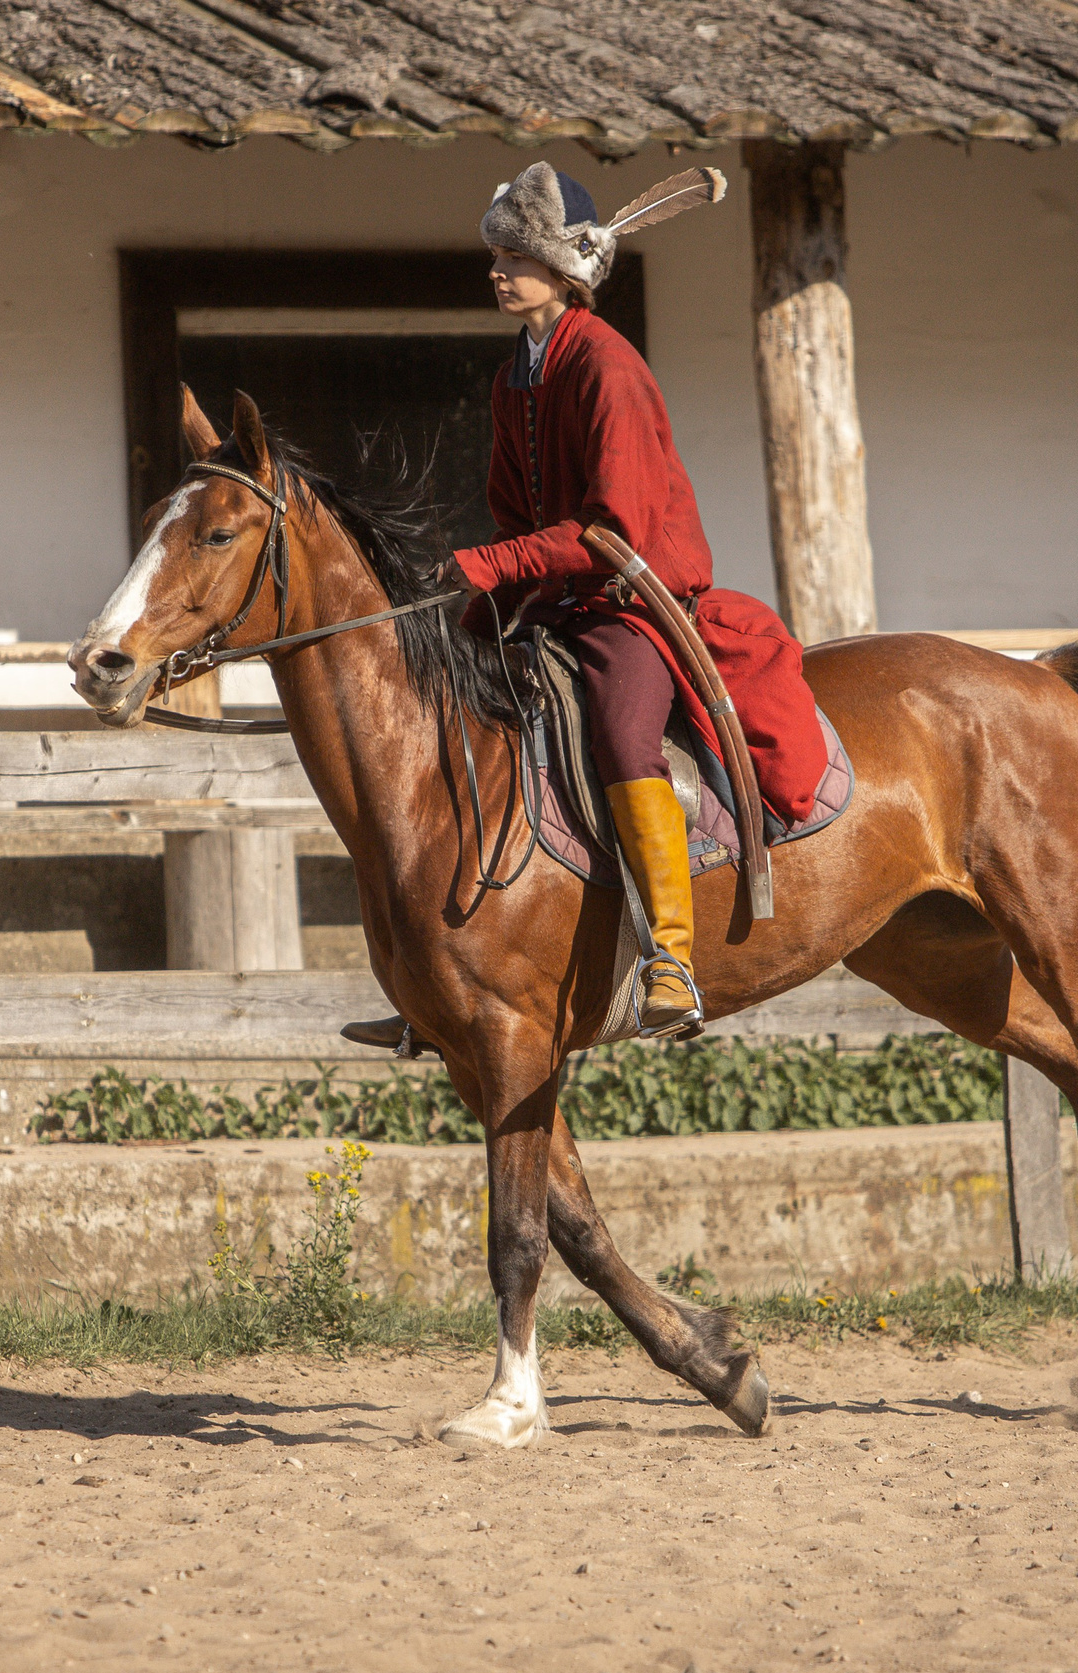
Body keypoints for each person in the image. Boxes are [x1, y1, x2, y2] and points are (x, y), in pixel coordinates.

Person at [343, 162, 827, 1053]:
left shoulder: (608, 366)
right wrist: (485, 588)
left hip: (630, 596)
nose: (496, 270)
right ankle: (443, 978)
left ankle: (671, 957)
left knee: (620, 729)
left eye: (515, 255)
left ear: (565, 271)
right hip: (554, 596)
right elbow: (513, 513)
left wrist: (495, 563)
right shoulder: (513, 376)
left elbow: (611, 532)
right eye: (495, 254)